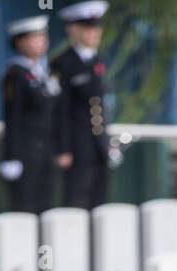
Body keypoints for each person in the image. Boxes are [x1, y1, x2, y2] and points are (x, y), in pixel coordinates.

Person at [50, 1, 113, 210]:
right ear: (73, 30)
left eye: (97, 28)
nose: (94, 33)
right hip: (77, 146)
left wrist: (106, 141)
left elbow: (100, 106)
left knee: (99, 202)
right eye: (88, 28)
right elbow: (61, 110)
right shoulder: (63, 63)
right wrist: (64, 148)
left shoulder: (97, 61)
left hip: (98, 145)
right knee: (76, 201)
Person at [0, 16, 60, 214]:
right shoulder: (16, 74)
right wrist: (12, 156)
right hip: (25, 155)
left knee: (46, 207)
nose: (43, 42)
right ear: (20, 42)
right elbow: (12, 118)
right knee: (25, 209)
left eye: (44, 37)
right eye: (36, 37)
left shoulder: (42, 72)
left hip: (45, 152)